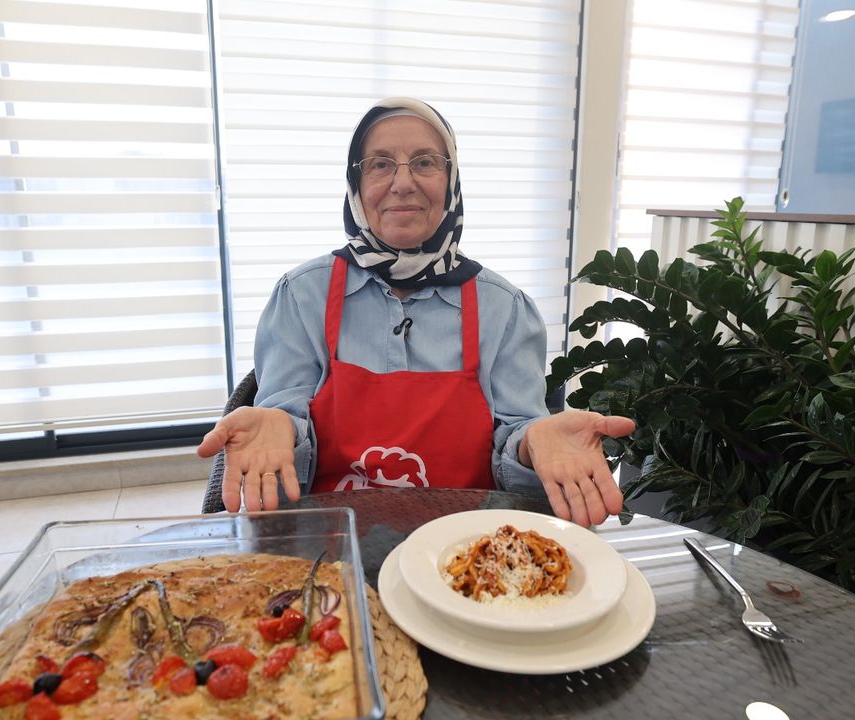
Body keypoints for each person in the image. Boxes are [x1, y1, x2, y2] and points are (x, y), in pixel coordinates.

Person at [197, 97, 635, 528]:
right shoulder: (301, 295)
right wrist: (278, 425)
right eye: (380, 164)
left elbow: (516, 436)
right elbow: (283, 431)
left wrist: (533, 440)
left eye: (425, 162)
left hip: (466, 551)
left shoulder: (505, 308)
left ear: (452, 180)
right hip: (334, 549)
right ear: (356, 184)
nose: (402, 183)